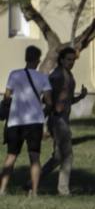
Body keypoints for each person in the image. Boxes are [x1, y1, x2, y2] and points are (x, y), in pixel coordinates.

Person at [2, 46, 52, 197]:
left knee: (11, 156)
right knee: (34, 157)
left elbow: (7, 97)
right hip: (34, 121)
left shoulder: (14, 75)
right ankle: (34, 191)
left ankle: (2, 189)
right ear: (38, 60)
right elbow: (49, 101)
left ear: (25, 58)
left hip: (15, 120)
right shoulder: (42, 77)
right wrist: (42, 111)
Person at [41, 46, 88, 195]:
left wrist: (80, 97)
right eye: (68, 59)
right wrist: (52, 112)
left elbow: (66, 100)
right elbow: (47, 97)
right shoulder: (57, 76)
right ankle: (63, 190)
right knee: (68, 155)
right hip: (58, 119)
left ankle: (32, 181)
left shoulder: (68, 75)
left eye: (73, 60)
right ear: (61, 60)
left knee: (58, 157)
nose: (71, 62)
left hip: (62, 118)